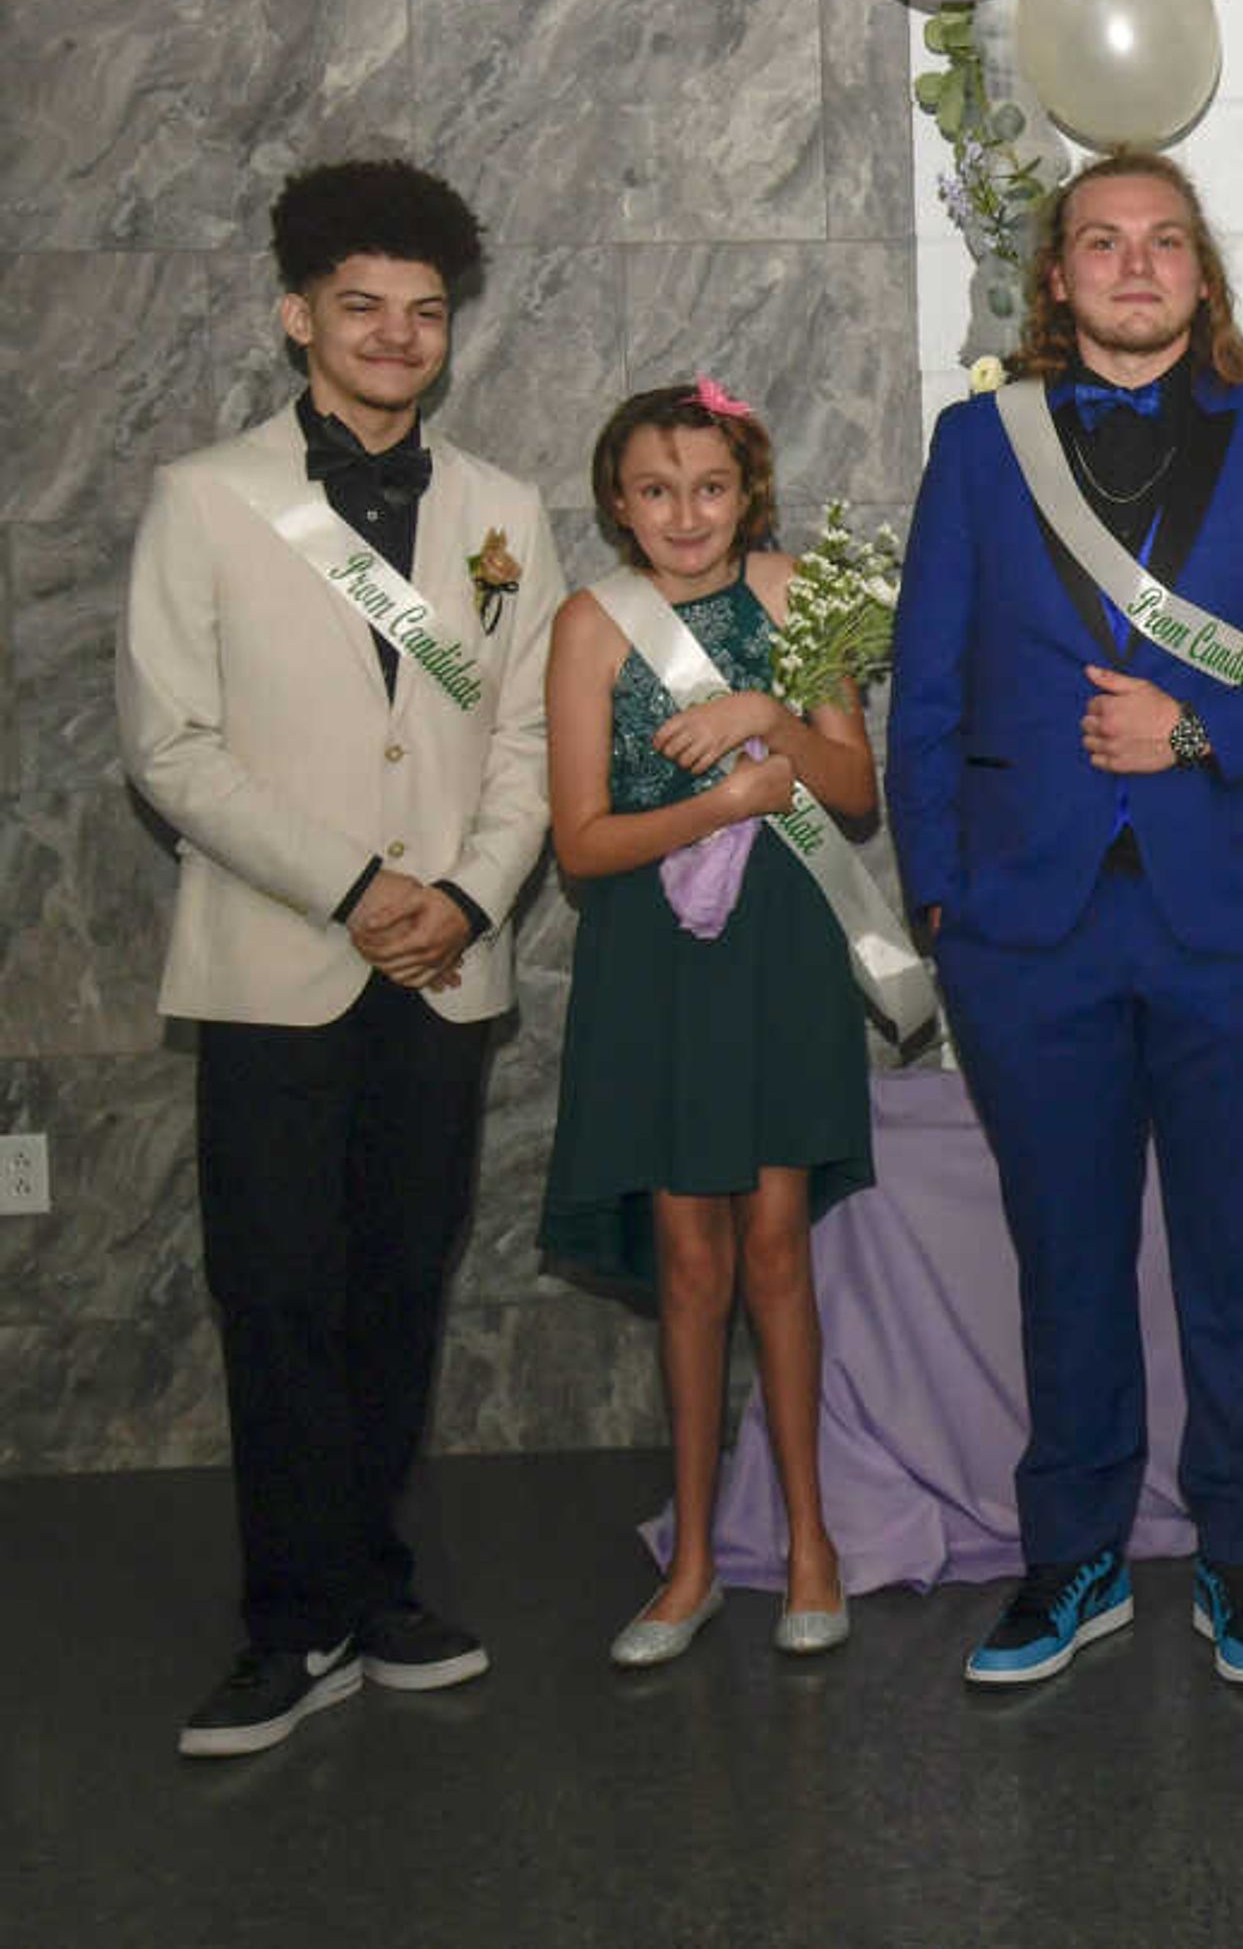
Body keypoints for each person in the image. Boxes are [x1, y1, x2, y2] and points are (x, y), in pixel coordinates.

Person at [888, 149, 1243, 1688]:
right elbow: (923, 689)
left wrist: (1198, 728)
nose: (1133, 266)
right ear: (1057, 279)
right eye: (1102, 243)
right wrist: (940, 900)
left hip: (1231, 914)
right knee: (1064, 1255)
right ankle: (1076, 1561)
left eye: (1164, 242)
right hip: (1024, 929)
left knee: (1237, 1251)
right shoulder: (984, 445)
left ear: (1202, 274)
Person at [122, 159, 563, 1758]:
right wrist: (354, 883)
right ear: (297, 315)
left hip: (442, 966)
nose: (394, 337)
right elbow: (166, 747)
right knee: (277, 1292)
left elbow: (528, 737)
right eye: (361, 308)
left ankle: (375, 1588)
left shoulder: (506, 511)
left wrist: (470, 893)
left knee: (397, 1281)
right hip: (275, 962)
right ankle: (286, 1621)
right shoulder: (210, 497)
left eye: (424, 313)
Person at [537, 382, 877, 1666]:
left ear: (751, 491)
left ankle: (808, 1545)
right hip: (653, 959)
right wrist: (726, 803)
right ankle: (688, 1561)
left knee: (777, 1244)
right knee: (689, 1259)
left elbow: (849, 790)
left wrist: (769, 720)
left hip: (780, 951)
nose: (687, 514)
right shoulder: (588, 625)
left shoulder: (806, 599)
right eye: (656, 490)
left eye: (712, 487)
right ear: (617, 504)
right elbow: (580, 837)